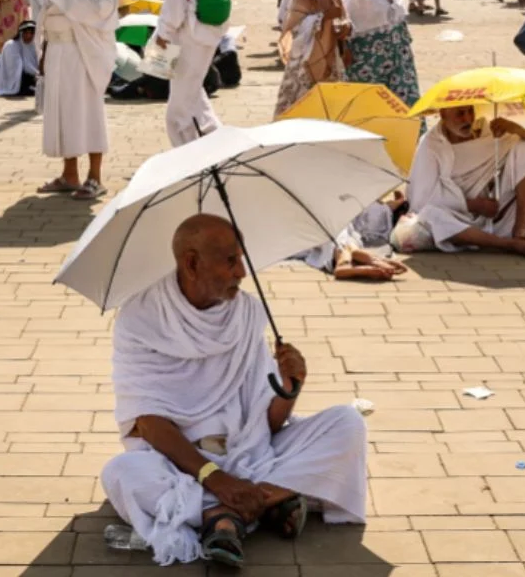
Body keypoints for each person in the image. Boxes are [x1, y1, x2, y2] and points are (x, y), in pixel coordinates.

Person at [100, 213, 368, 568]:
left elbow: (267, 424)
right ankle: (264, 501)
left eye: (242, 259)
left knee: (347, 423)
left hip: (249, 450)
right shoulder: (140, 319)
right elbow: (148, 423)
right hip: (177, 461)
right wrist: (216, 478)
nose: (242, 272)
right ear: (192, 263)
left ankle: (226, 517)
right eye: (231, 261)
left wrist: (290, 388)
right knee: (123, 473)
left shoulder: (246, 314)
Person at [36, 0, 118, 199]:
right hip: (58, 49)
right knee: (62, 112)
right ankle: (69, 173)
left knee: (87, 111)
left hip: (81, 52)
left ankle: (95, 177)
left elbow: (102, 8)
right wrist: (44, 51)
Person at [407, 106, 525, 258]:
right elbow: (421, 200)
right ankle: (508, 244)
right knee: (428, 216)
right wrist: (473, 205)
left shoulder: (489, 133)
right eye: (460, 113)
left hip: (494, 218)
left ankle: (519, 231)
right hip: (454, 219)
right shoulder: (430, 144)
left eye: (470, 111)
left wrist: (518, 130)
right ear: (443, 114)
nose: (467, 119)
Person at [154, 0, 227, 146]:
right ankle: (217, 141)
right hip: (209, 32)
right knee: (194, 95)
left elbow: (174, 4)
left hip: (189, 36)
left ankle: (186, 156)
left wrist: (163, 34)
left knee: (178, 109)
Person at [343, 0, 420, 107]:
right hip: (369, 57)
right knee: (372, 102)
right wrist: (345, 48)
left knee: (403, 99)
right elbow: (346, 21)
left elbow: (398, 16)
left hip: (399, 54)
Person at [273, 0, 347, 117]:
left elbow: (343, 16)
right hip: (305, 56)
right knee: (301, 97)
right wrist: (324, 16)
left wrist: (345, 26)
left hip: (329, 52)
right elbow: (294, 26)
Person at [0, 20, 39, 97]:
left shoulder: (34, 45)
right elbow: (17, 68)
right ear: (21, 33)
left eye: (32, 33)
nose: (29, 36)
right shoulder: (11, 45)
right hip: (2, 75)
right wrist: (37, 75)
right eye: (26, 33)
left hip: (27, 74)